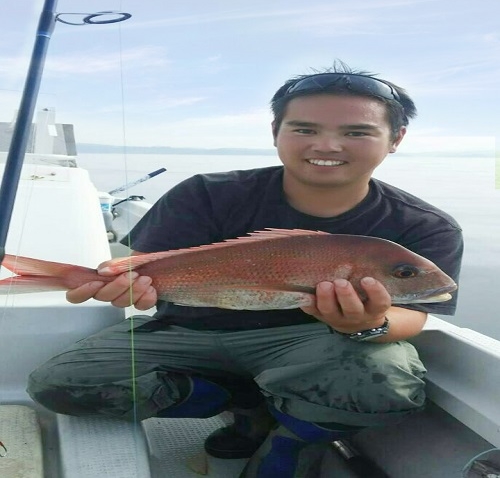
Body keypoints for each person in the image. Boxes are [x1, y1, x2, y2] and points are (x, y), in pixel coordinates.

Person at [27, 61, 463, 477]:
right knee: (60, 385)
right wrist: (125, 285)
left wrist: (368, 324)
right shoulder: (204, 194)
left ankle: (291, 438)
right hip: (190, 332)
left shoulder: (423, 227)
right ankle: (244, 403)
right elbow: (147, 270)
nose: (327, 145)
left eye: (356, 132)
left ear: (396, 138)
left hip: (313, 343)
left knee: (388, 386)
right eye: (304, 129)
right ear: (276, 132)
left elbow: (421, 311)